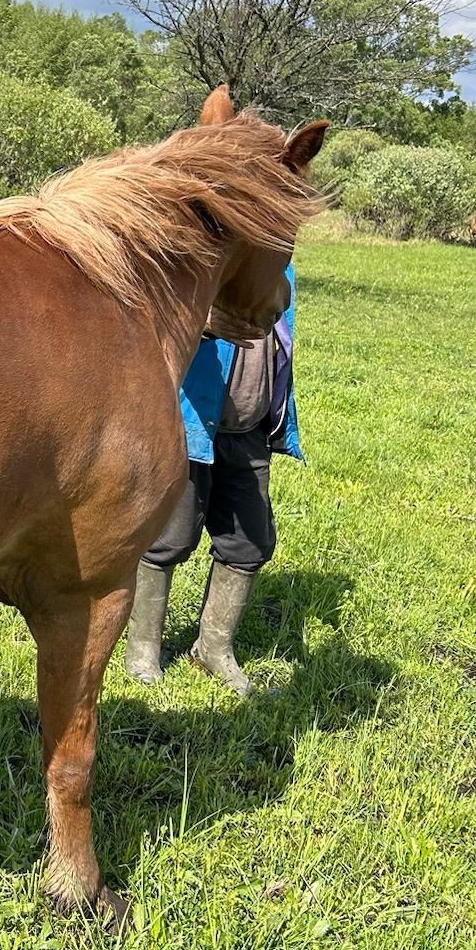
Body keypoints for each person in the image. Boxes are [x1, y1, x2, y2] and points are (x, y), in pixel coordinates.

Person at [124, 264, 302, 697]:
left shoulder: (277, 264)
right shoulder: (203, 256)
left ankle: (213, 648)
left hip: (250, 430)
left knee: (250, 543)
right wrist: (202, 324)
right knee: (170, 539)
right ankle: (142, 649)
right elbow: (148, 318)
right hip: (191, 429)